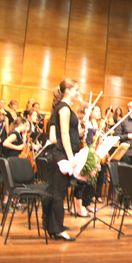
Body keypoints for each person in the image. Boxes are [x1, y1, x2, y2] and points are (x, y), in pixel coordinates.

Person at [42, 79, 81, 241]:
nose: (78, 93)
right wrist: (71, 156)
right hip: (61, 155)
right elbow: (63, 134)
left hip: (63, 153)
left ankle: (54, 226)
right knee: (58, 192)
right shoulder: (64, 108)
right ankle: (57, 229)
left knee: (58, 191)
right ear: (68, 91)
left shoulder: (66, 108)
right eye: (76, 90)